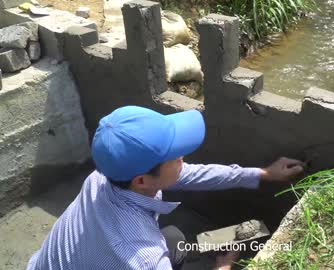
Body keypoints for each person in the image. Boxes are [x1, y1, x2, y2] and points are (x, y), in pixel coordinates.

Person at [27, 106, 304, 270]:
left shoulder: (103, 177)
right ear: (142, 180)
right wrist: (224, 268)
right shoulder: (145, 259)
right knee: (169, 244)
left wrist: (264, 173)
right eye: (176, 156)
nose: (183, 158)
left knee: (173, 237)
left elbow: (196, 175)